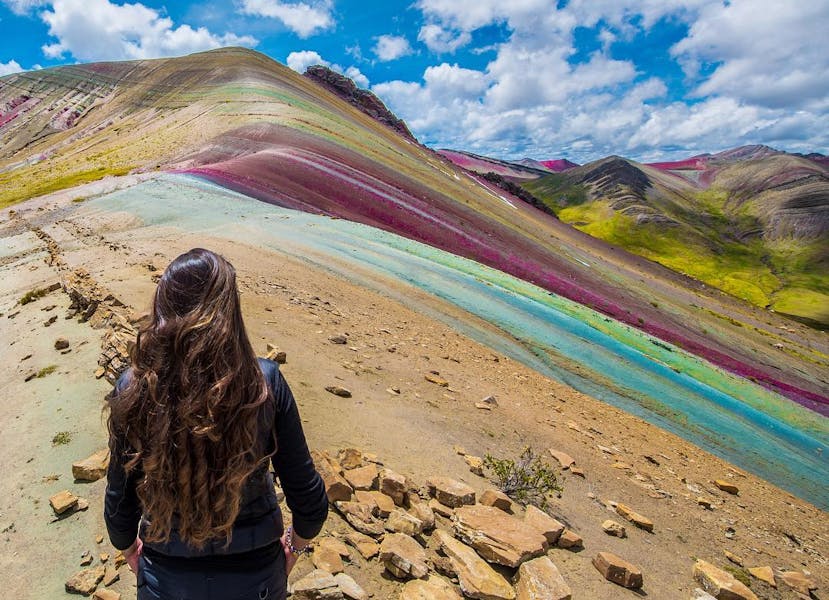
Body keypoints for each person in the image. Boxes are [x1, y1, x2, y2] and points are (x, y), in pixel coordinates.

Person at [104, 248, 328, 600]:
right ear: (229, 310)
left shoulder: (133, 388)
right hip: (257, 579)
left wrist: (130, 549)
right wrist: (294, 549)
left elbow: (120, 501)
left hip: (166, 578)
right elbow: (309, 499)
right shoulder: (263, 383)